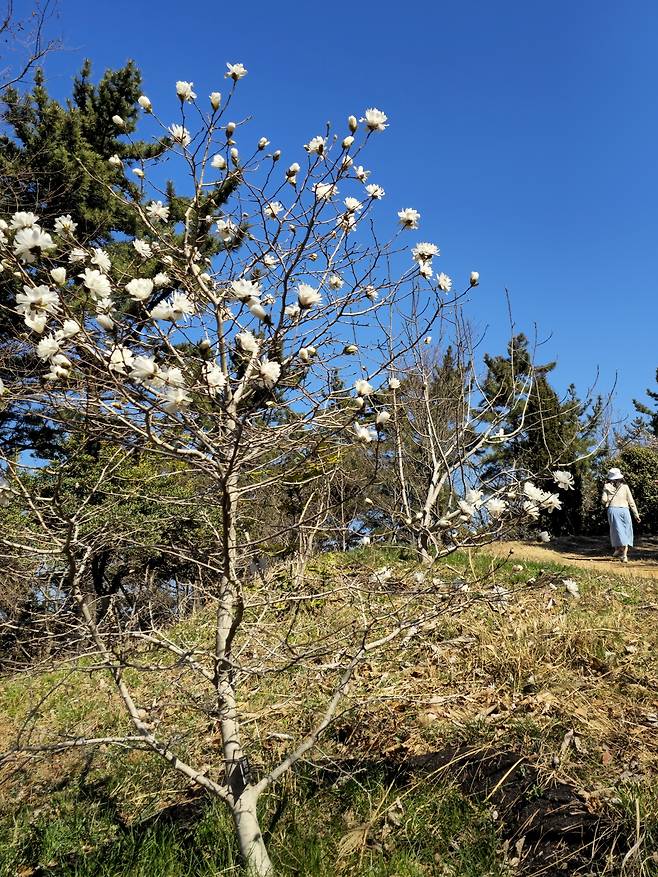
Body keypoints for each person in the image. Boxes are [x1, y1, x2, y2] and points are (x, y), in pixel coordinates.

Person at [601, 468, 640, 562]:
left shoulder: (606, 486)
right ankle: (624, 555)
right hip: (624, 510)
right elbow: (631, 502)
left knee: (616, 531)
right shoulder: (625, 487)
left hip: (613, 510)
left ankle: (617, 549)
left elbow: (604, 500)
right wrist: (636, 515)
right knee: (626, 531)